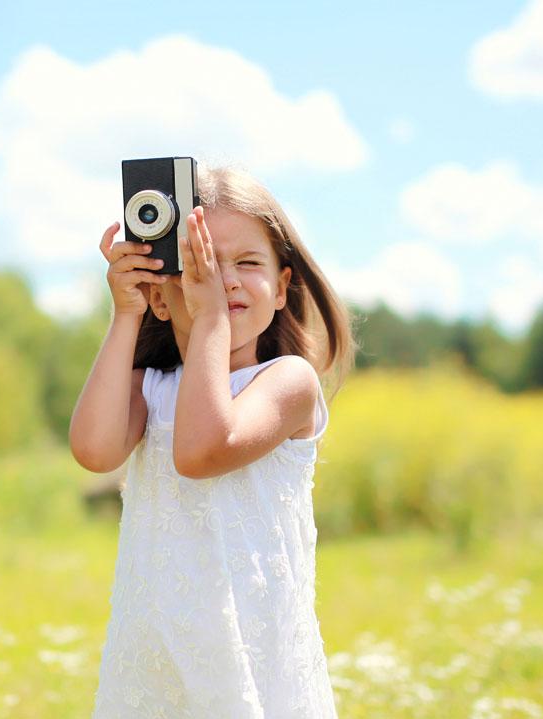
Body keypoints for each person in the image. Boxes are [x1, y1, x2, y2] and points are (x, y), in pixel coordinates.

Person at [70, 165, 355, 718]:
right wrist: (125, 313)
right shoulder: (150, 388)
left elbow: (203, 450)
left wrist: (207, 321)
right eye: (198, 264)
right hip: (158, 650)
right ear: (159, 296)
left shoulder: (288, 382)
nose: (221, 280)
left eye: (246, 263)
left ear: (281, 287)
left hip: (253, 649)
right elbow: (94, 451)